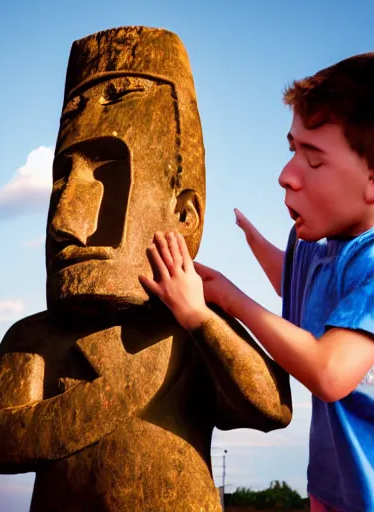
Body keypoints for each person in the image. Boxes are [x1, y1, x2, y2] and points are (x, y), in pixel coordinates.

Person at [140, 52, 374, 512]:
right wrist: (253, 243)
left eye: (314, 160)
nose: (287, 176)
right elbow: (299, 286)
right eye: (292, 150)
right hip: (332, 483)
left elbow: (330, 373)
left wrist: (222, 303)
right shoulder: (312, 245)